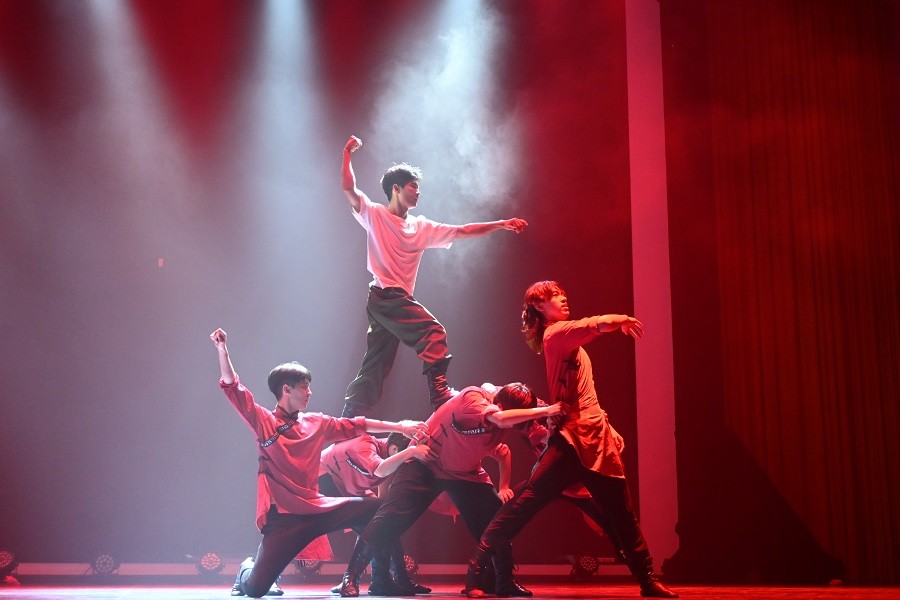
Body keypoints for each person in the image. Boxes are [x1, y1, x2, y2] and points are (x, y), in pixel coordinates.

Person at [463, 282, 678, 599]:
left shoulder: (566, 341)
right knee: (523, 505)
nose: (563, 298)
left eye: (562, 293)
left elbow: (585, 393)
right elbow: (592, 325)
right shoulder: (556, 334)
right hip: (570, 441)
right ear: (540, 307)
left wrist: (606, 424)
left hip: (596, 439)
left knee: (621, 515)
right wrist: (620, 320)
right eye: (554, 296)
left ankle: (647, 580)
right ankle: (475, 574)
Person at [209, 328, 427, 599]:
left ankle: (367, 578)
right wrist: (223, 350)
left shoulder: (316, 422)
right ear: (286, 389)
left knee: (380, 509)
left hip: (318, 509)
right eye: (304, 386)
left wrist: (400, 427)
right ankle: (247, 567)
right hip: (285, 520)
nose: (309, 392)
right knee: (255, 590)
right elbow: (234, 389)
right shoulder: (266, 423)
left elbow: (356, 425)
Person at [339, 135, 528, 417]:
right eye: (413, 186)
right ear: (396, 188)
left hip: (389, 301)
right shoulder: (374, 214)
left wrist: (501, 224)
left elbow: (462, 230)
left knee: (376, 361)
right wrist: (347, 154)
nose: (418, 192)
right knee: (432, 332)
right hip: (386, 295)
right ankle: (439, 393)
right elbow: (349, 188)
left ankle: (351, 413)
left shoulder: (421, 227)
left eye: (418, 187)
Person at [336, 382, 562, 598]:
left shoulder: (516, 402)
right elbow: (501, 418)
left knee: (496, 519)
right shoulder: (473, 399)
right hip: (426, 464)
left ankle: (504, 581)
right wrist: (548, 410)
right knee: (391, 518)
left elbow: (535, 424)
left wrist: (551, 415)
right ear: (501, 405)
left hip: (465, 472)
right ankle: (350, 577)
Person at [319, 432, 433, 595]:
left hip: (349, 487)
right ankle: (368, 579)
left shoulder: (390, 454)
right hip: (324, 482)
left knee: (384, 522)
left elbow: (384, 503)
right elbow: (380, 470)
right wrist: (411, 451)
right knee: (379, 525)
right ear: (395, 449)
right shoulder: (365, 447)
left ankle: (390, 579)